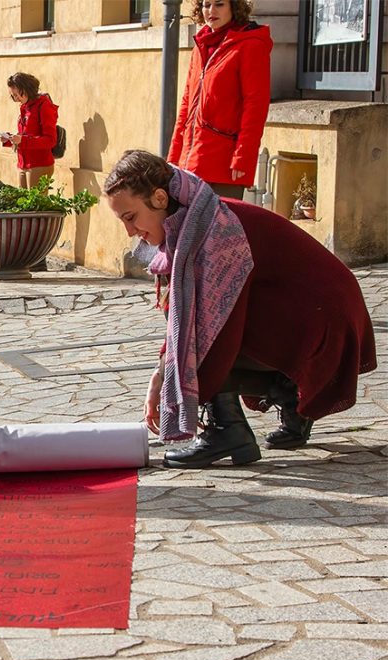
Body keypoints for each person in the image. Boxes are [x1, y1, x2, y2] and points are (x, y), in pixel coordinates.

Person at [103, 150, 376, 469]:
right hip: (314, 316)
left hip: (328, 323)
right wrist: (161, 373)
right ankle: (286, 393)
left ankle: (227, 430)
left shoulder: (215, 233)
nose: (130, 232)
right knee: (195, 334)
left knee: (202, 340)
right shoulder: (198, 220)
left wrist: (168, 375)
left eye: (130, 217)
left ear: (160, 198)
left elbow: (206, 329)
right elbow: (182, 317)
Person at [168, 0, 272, 199]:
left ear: (234, 7)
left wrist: (243, 157)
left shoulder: (250, 45)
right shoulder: (201, 46)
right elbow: (186, 105)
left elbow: (255, 106)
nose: (211, 11)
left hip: (223, 165)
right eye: (206, 5)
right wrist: (174, 157)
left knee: (220, 228)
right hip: (190, 163)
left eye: (219, 4)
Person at [0, 72, 58, 189]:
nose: (16, 99)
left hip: (39, 164)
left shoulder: (44, 106)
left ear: (26, 89)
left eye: (17, 95)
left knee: (35, 206)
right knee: (23, 205)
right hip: (23, 164)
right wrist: (10, 139)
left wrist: (23, 140)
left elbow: (50, 140)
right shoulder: (25, 107)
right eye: (13, 96)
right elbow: (26, 135)